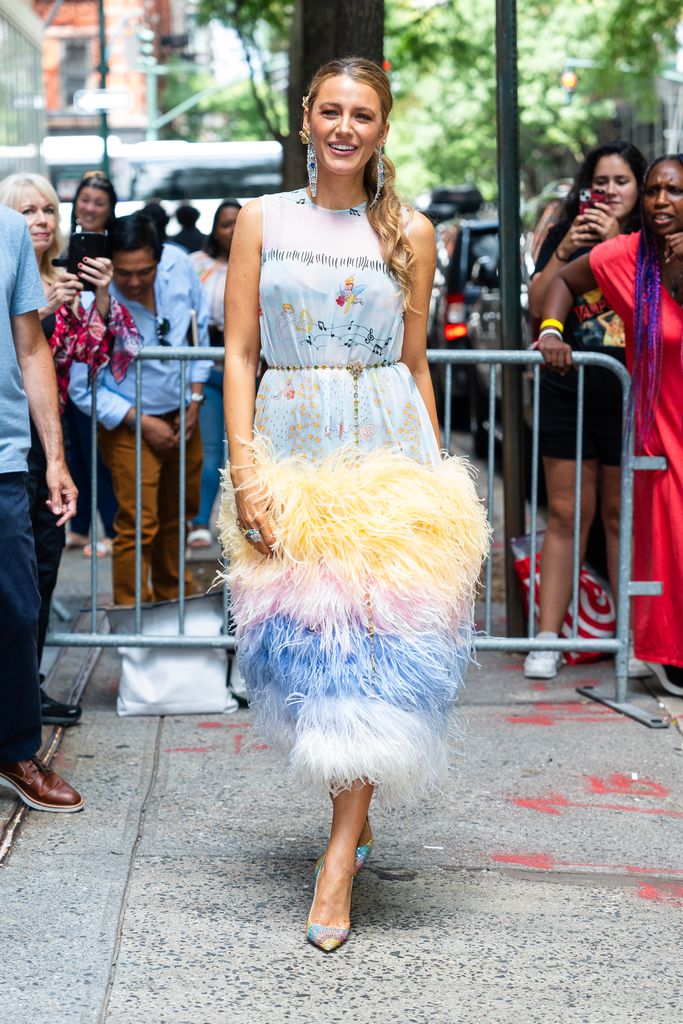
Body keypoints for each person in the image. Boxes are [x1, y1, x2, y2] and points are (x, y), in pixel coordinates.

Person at [217, 57, 489, 951]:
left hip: (385, 451)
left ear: (381, 127)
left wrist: (436, 473)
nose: (343, 127)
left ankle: (338, 860)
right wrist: (247, 473)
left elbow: (413, 361)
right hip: (293, 450)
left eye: (361, 114)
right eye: (329, 111)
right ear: (306, 118)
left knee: (372, 656)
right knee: (306, 652)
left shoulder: (411, 229)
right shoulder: (260, 221)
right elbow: (240, 354)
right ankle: (351, 812)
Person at [538, 154, 683, 696]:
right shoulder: (628, 257)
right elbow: (565, 284)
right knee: (668, 540)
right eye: (654, 191)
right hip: (661, 424)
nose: (661, 201)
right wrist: (553, 331)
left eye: (674, 191)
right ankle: (666, 652)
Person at [0, 173, 137, 724]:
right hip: (13, 432)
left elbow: (105, 353)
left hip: (49, 434)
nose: (40, 220)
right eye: (27, 210)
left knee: (44, 563)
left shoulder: (64, 279)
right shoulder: (21, 279)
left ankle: (26, 688)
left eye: (48, 210)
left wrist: (98, 295)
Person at [524, 141, 648, 681]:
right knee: (567, 512)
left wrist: (617, 246)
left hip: (627, 388)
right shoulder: (566, 230)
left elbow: (658, 304)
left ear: (639, 189)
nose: (612, 192)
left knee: (622, 515)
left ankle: (633, 639)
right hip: (566, 384)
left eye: (623, 181)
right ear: (586, 188)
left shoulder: (651, 238)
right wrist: (565, 251)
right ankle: (547, 638)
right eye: (602, 183)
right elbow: (536, 301)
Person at [69, 213, 212, 605]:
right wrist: (142, 422)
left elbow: (199, 336)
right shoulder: (92, 299)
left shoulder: (181, 266)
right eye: (124, 274)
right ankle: (133, 613)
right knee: (138, 522)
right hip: (129, 422)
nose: (133, 282)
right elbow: (84, 388)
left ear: (160, 258)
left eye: (143, 271)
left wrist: (196, 400)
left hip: (184, 413)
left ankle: (172, 605)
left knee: (177, 516)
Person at [0, 201, 83, 812]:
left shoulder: (7, 230)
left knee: (19, 609)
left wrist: (54, 458)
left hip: (5, 456)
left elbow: (32, 349)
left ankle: (14, 750)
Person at [66, 171, 119, 556]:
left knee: (99, 450)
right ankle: (80, 525)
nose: (90, 208)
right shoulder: (57, 247)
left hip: (102, 369)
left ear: (111, 209)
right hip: (63, 366)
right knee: (74, 451)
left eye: (99, 202)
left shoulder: (118, 252)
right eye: (85, 200)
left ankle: (110, 529)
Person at [187, 200, 241, 548]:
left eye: (239, 223)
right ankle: (201, 522)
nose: (233, 231)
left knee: (245, 452)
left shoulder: (267, 264)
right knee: (210, 452)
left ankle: (244, 525)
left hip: (252, 373)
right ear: (214, 230)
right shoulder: (198, 266)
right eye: (226, 224)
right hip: (209, 370)